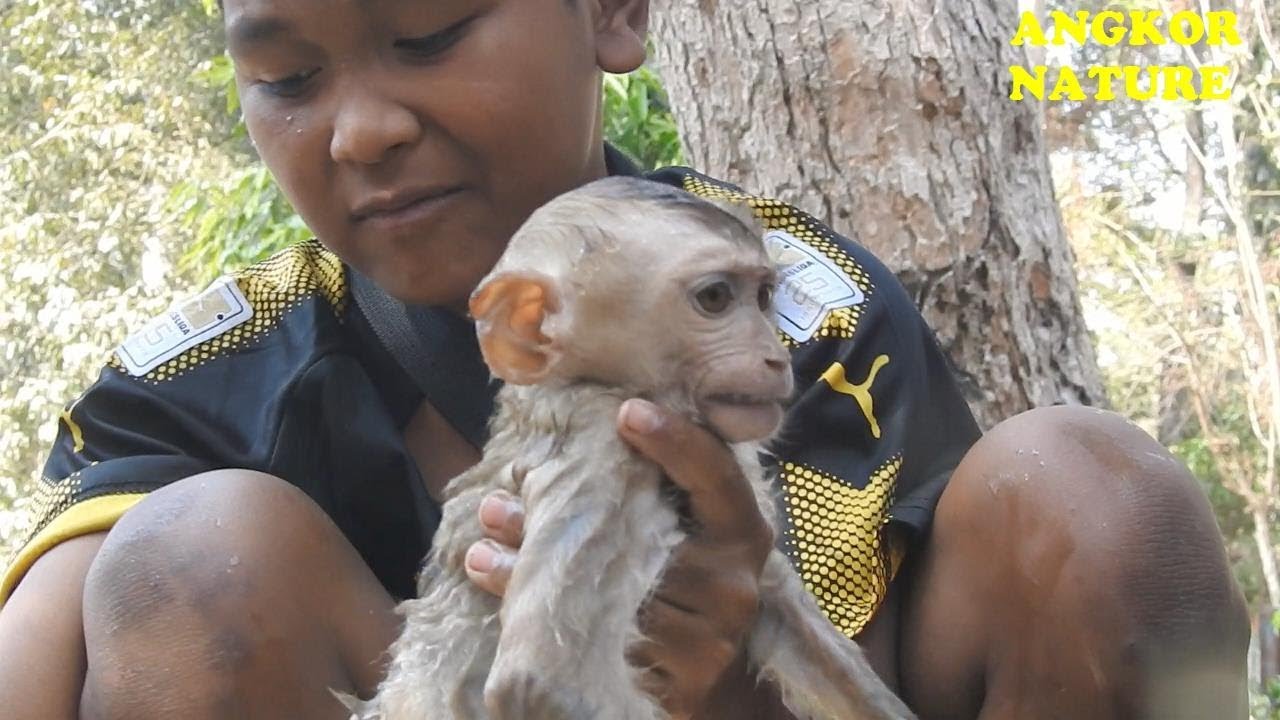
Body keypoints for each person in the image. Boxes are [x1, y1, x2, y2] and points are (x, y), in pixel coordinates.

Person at [0, 1, 1249, 718]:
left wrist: (724, 672)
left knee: (1095, 497)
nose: (363, 129)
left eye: (427, 32)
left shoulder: (794, 316)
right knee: (191, 558)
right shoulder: (206, 379)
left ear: (609, 11)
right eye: (285, 78)